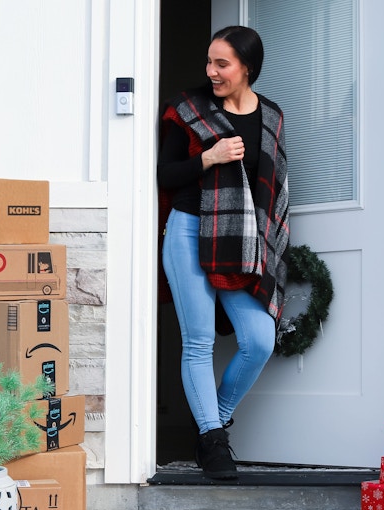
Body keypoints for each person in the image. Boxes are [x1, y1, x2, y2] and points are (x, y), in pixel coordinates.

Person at [157, 26, 289, 480]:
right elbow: (166, 174)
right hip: (189, 231)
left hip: (240, 241)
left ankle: (215, 419)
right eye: (209, 62)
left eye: (222, 64)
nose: (211, 72)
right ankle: (213, 441)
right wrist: (208, 158)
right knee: (198, 342)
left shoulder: (271, 116)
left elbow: (275, 189)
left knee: (259, 339)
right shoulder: (189, 109)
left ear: (247, 67)